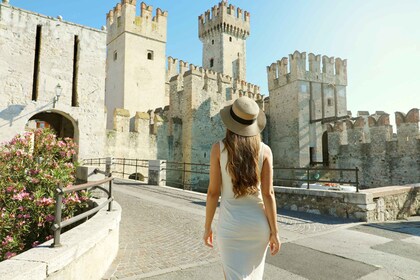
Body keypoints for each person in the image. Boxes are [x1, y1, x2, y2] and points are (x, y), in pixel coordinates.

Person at [203, 96, 281, 279]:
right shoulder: (265, 151)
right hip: (258, 228)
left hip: (231, 228)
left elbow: (213, 193)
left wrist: (207, 227)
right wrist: (275, 232)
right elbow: (268, 194)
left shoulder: (218, 149)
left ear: (230, 122)